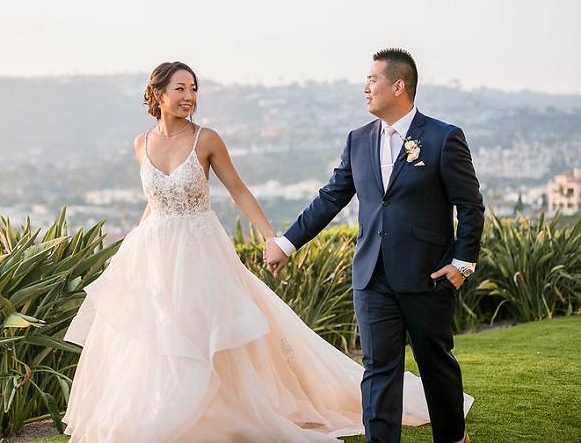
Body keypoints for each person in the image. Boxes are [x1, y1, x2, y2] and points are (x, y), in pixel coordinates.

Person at [62, 61, 450, 443]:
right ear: (158, 93)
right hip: (155, 252)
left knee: (207, 334)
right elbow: (154, 202)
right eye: (180, 89)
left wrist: (272, 238)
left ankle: (216, 409)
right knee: (159, 335)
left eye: (193, 89)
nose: (189, 96)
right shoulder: (140, 143)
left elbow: (239, 190)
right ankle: (163, 408)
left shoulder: (206, 139)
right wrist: (133, 247)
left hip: (199, 251)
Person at [266, 48, 483, 443]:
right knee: (379, 370)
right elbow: (331, 198)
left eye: (372, 80)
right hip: (372, 276)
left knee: (435, 364)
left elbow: (470, 206)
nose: (365, 88)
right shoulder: (358, 140)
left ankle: (453, 437)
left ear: (398, 86)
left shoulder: (442, 138)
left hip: (428, 275)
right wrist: (287, 242)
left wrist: (462, 264)